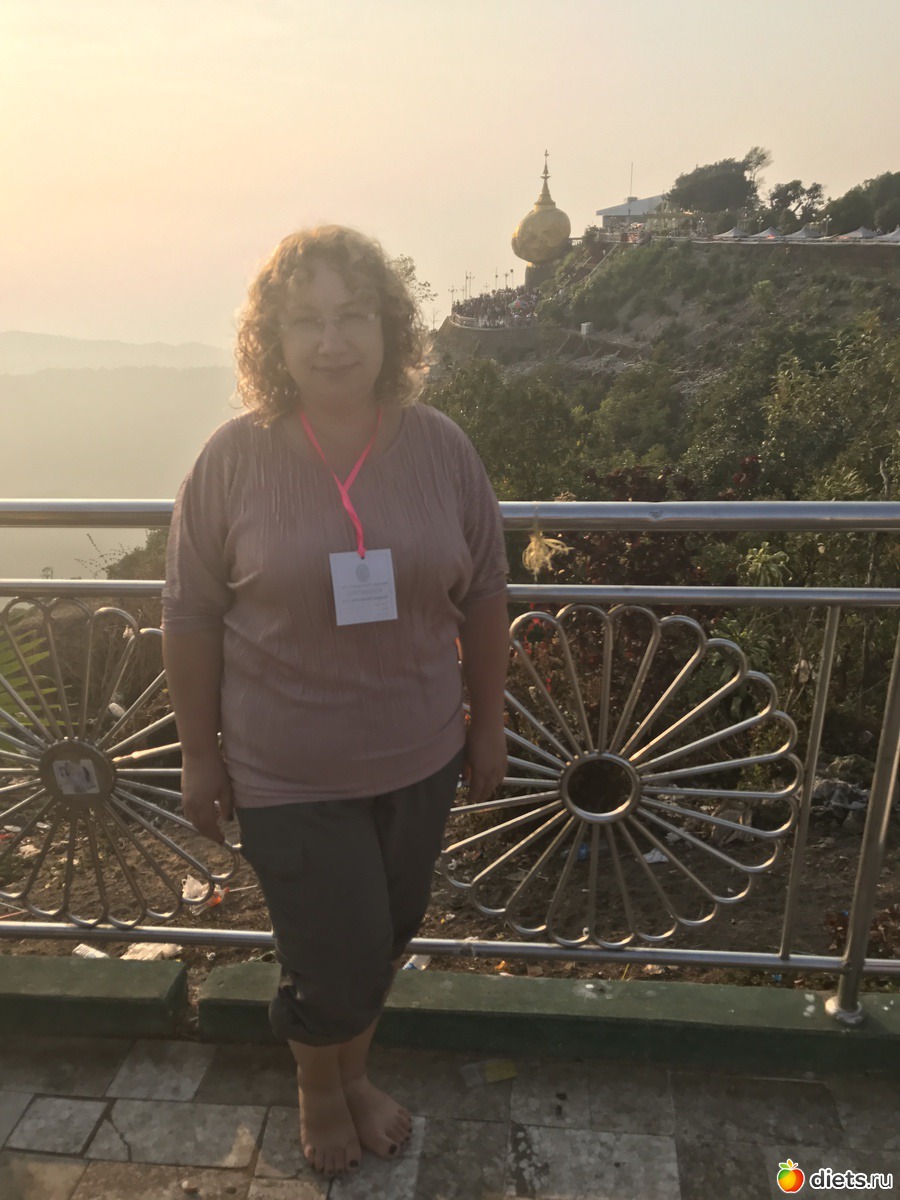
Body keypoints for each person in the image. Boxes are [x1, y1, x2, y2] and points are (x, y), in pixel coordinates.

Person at [161, 225, 509, 1177]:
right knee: (331, 951)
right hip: (289, 767)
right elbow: (189, 614)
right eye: (305, 321)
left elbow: (484, 591)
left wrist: (489, 723)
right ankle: (319, 1090)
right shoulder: (232, 459)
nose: (331, 342)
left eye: (352, 315)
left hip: (422, 751)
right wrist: (199, 753)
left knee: (385, 936)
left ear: (390, 327)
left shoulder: (440, 447)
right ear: (270, 340)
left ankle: (353, 1076)